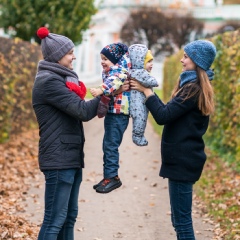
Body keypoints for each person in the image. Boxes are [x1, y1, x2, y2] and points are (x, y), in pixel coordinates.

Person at [130, 39, 216, 239]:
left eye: (186, 57)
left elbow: (163, 116)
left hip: (182, 161)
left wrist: (146, 91)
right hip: (184, 160)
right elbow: (168, 111)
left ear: (197, 61)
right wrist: (148, 92)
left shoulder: (192, 88)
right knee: (179, 221)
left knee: (182, 223)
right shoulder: (192, 85)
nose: (182, 60)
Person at [32, 27, 101, 240]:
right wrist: (108, 91)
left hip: (69, 157)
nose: (74, 56)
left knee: (68, 218)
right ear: (57, 55)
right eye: (70, 52)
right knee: (54, 221)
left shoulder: (61, 78)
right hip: (59, 160)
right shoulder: (49, 82)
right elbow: (83, 111)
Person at [90, 43, 131, 194]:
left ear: (115, 59)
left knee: (110, 145)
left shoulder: (118, 71)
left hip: (118, 114)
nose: (102, 61)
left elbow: (113, 82)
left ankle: (112, 177)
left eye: (106, 58)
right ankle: (108, 176)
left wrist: (101, 89)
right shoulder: (112, 70)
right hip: (114, 113)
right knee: (108, 145)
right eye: (101, 58)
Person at [128, 44, 158, 146]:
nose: (151, 64)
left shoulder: (133, 71)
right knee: (140, 118)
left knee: (141, 118)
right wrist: (154, 81)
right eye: (149, 61)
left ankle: (138, 135)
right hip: (138, 102)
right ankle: (138, 136)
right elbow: (152, 81)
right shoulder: (140, 72)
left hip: (138, 100)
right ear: (140, 61)